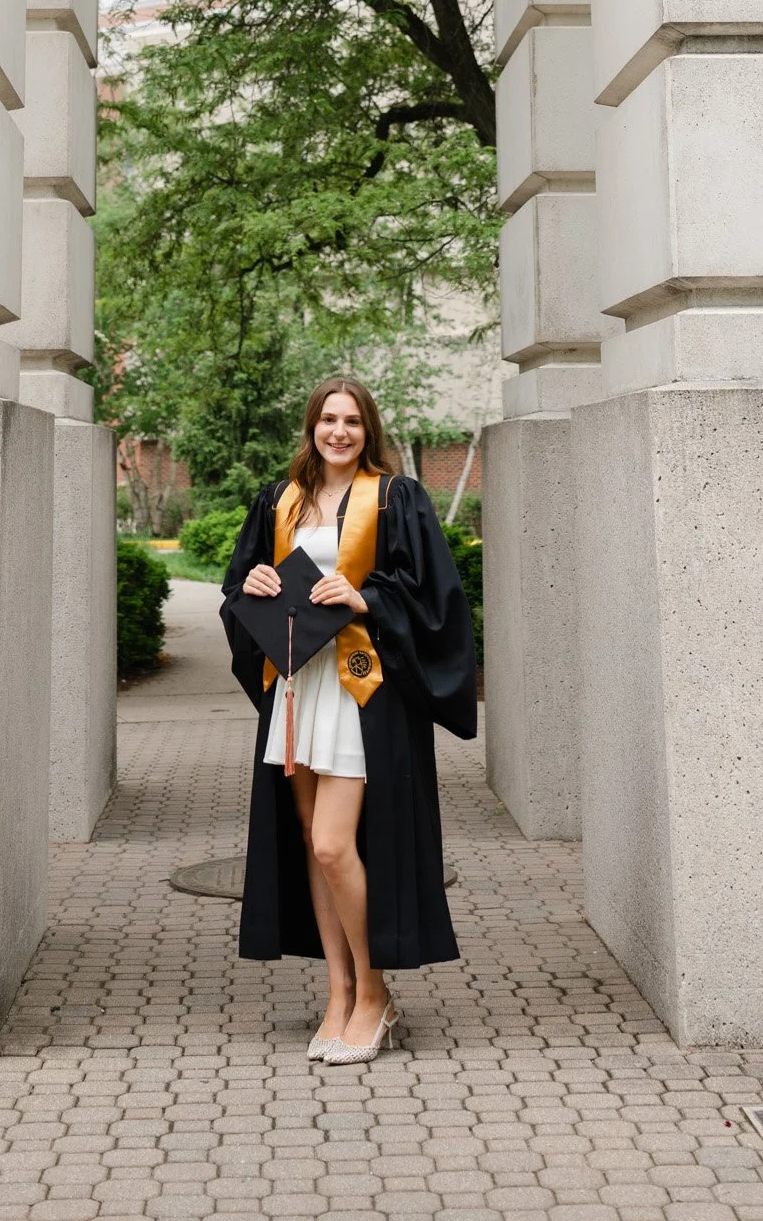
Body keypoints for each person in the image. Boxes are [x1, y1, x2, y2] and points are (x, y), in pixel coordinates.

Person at [220, 375, 478, 1064]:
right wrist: (252, 583)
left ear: (369, 431)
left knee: (336, 843)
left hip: (361, 690)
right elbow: (239, 582)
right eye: (328, 419)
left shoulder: (396, 499)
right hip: (297, 687)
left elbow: (433, 598)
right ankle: (337, 992)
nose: (338, 431)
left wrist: (364, 598)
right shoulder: (280, 500)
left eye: (352, 421)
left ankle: (375, 994)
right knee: (310, 839)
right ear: (311, 427)